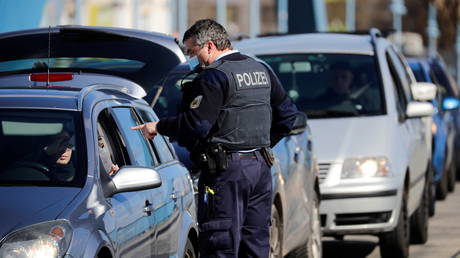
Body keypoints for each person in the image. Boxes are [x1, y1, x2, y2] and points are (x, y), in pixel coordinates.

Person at [132, 19, 300, 257]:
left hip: (227, 172)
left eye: (193, 51)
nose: (192, 58)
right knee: (255, 245)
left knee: (219, 243)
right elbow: (288, 117)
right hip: (261, 168)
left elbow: (196, 124)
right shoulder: (261, 69)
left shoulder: (214, 76)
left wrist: (159, 126)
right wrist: (257, 145)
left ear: (209, 46)